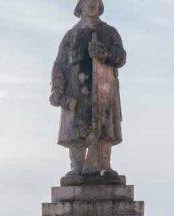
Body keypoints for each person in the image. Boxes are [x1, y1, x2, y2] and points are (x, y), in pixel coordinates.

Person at [51, 0, 126, 177]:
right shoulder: (71, 35)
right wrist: (57, 88)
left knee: (105, 126)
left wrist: (105, 52)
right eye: (88, 0)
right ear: (80, 5)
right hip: (76, 89)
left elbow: (121, 57)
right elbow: (59, 64)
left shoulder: (109, 32)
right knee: (77, 128)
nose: (92, 3)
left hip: (104, 89)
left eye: (96, 0)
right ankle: (76, 166)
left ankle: (105, 164)